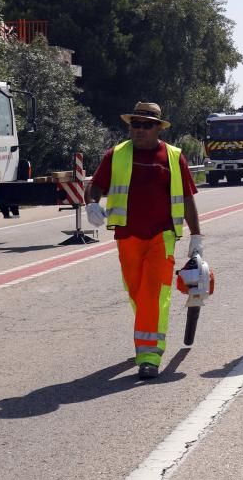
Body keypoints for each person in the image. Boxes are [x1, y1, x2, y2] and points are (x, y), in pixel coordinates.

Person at [86, 102, 203, 380]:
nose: (139, 129)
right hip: (127, 235)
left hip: (162, 236)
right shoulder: (116, 154)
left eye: (146, 125)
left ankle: (150, 355)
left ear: (158, 128)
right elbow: (97, 184)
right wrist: (91, 203)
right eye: (135, 124)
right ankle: (147, 328)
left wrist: (196, 234)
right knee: (137, 291)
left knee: (153, 292)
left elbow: (187, 197)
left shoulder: (173, 157)